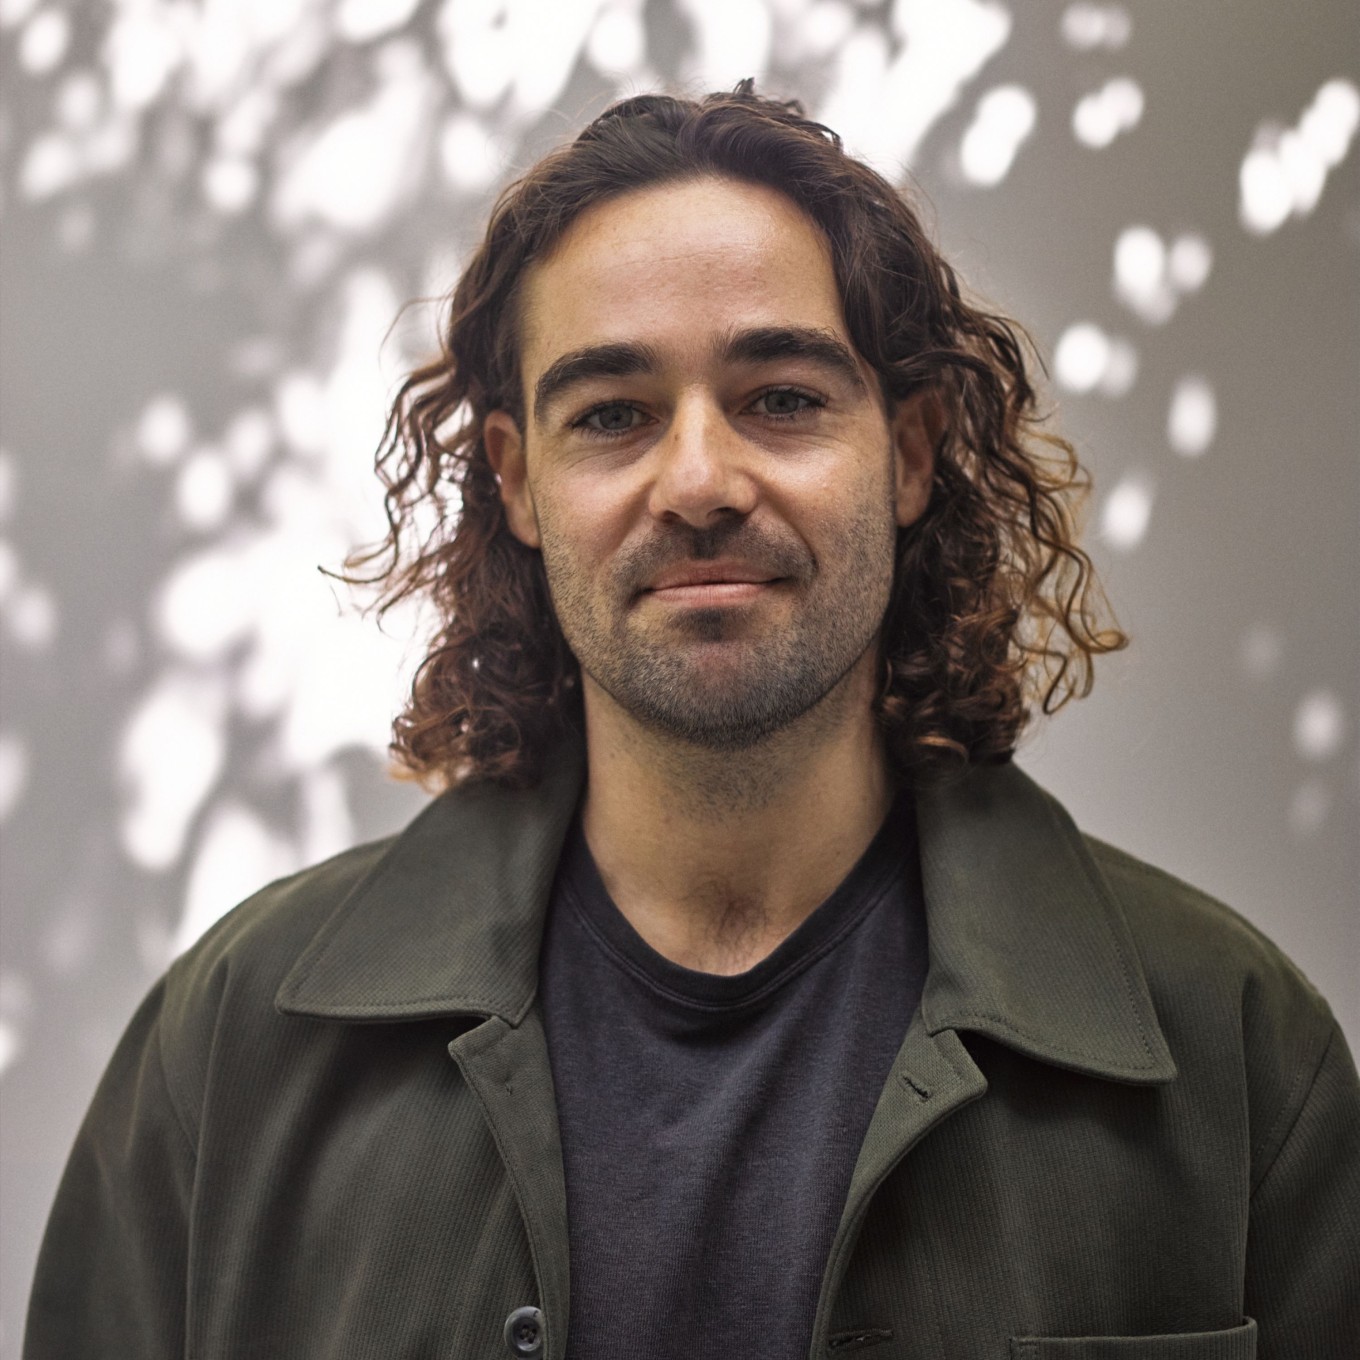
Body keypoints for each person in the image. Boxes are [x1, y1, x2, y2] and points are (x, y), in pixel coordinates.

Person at [25, 85, 1358, 1360]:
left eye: (781, 398)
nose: (702, 482)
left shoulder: (1230, 1055)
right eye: (613, 414)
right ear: (518, 478)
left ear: (907, 451)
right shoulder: (234, 1049)